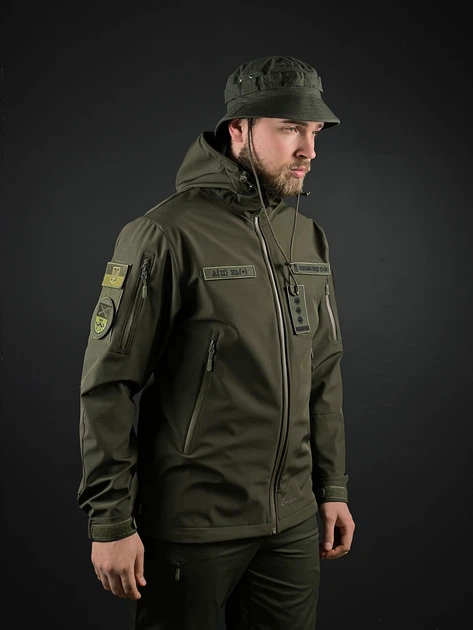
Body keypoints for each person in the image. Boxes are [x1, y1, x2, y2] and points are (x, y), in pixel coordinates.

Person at [77, 55, 355, 630]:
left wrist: (332, 487)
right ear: (238, 131)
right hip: (193, 525)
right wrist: (111, 521)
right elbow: (109, 384)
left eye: (314, 131)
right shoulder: (164, 234)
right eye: (290, 129)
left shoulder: (306, 235)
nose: (308, 149)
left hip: (292, 523)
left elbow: (322, 370)